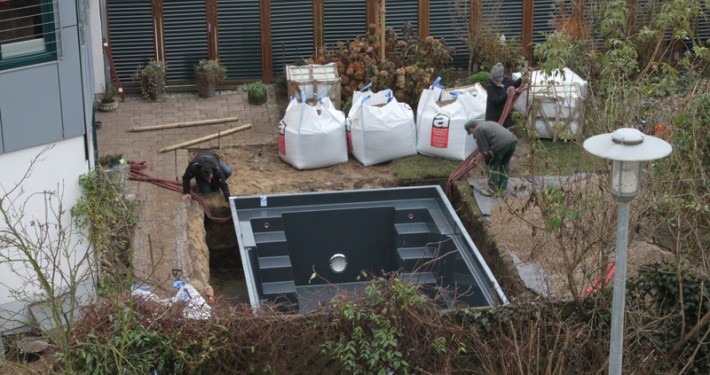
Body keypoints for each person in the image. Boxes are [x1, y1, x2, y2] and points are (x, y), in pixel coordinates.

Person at [464, 119, 517, 196]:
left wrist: (476, 161)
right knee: (504, 165)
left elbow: (484, 151)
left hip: (500, 145)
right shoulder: (486, 124)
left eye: (470, 132)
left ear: (471, 128)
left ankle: (492, 191)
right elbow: (484, 146)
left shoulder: (478, 131)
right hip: (513, 142)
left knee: (493, 166)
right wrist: (476, 158)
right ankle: (502, 189)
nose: (472, 134)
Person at [485, 63, 530, 128]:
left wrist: (523, 77)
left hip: (504, 113)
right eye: (494, 79)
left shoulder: (506, 80)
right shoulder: (490, 87)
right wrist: (507, 93)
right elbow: (496, 100)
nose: (495, 81)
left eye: (497, 80)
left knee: (506, 129)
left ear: (501, 78)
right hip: (494, 116)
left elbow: (515, 84)